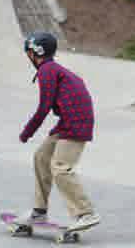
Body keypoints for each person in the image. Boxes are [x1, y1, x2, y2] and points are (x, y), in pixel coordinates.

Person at [15, 32, 101, 234]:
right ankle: (39, 211)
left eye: (29, 52)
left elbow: (44, 106)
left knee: (60, 167)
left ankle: (85, 212)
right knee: (42, 157)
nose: (28, 57)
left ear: (36, 52)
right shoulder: (53, 69)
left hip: (75, 123)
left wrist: (27, 132)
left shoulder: (47, 70)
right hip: (68, 121)